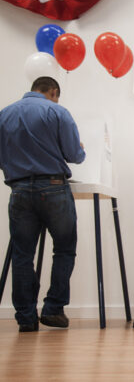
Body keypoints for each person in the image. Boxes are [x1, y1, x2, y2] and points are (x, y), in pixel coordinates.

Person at [0, 77, 85, 332]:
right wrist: (80, 149)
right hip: (54, 188)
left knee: (23, 254)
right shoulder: (57, 111)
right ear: (53, 92)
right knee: (64, 249)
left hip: (20, 190)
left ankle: (26, 317)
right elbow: (74, 155)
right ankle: (53, 309)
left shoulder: (4, 114)